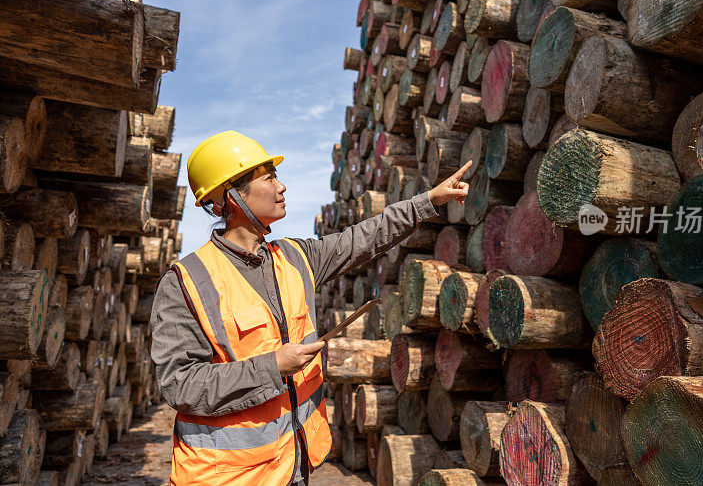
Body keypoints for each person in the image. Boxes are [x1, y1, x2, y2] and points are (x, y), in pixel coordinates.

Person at [150, 130, 471, 485]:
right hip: (231, 476)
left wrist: (428, 201)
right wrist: (273, 367)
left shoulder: (294, 257)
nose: (282, 187)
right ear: (229, 197)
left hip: (296, 463)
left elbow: (364, 238)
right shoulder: (186, 281)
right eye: (269, 178)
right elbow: (179, 384)